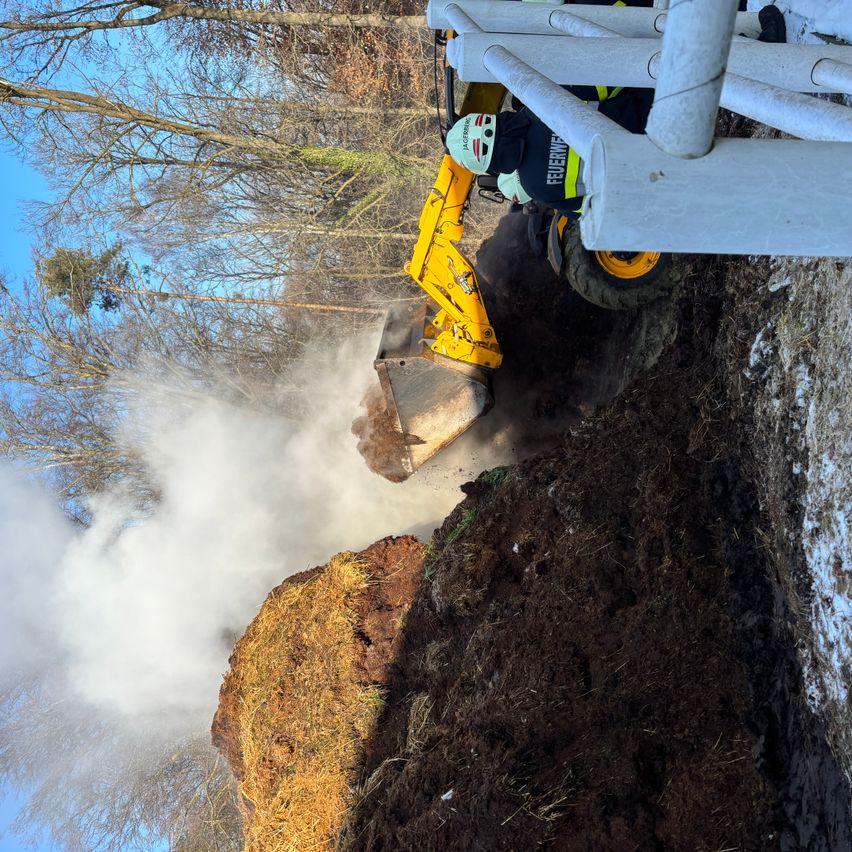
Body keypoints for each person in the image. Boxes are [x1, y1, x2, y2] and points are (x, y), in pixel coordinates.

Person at [445, 4, 787, 217]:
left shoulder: (538, 189)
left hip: (655, 172)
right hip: (654, 109)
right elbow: (604, 79)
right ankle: (766, 57)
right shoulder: (537, 103)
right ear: (488, 120)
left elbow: (592, 209)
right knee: (673, 59)